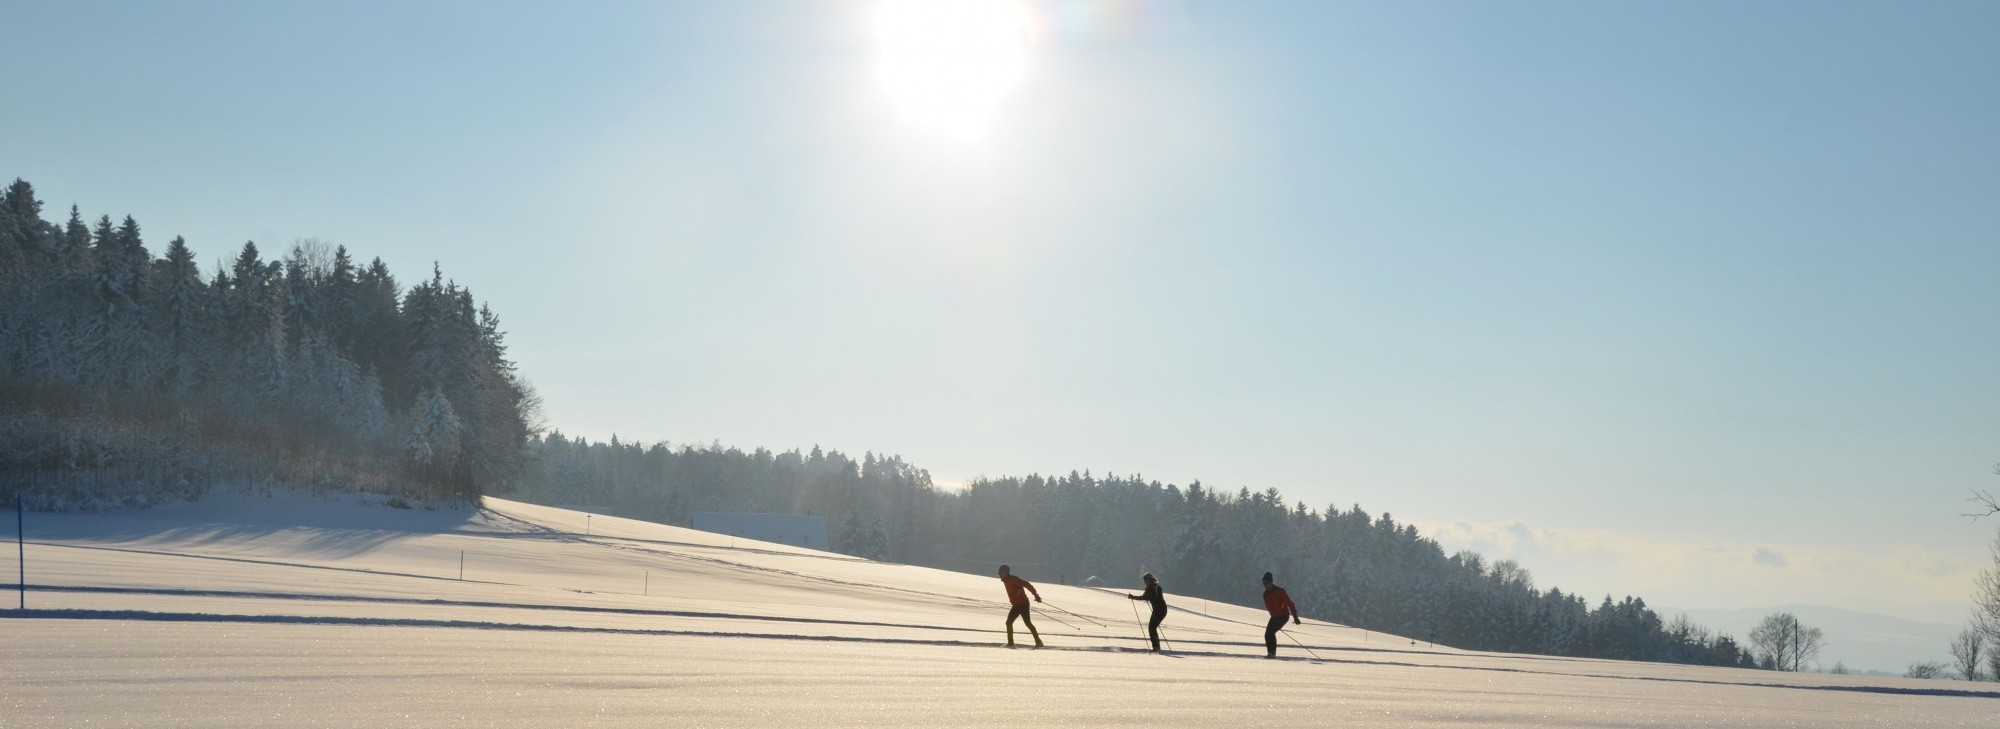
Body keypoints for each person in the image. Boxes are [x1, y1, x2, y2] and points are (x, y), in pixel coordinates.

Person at [998, 564, 1043, 648]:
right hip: (1016, 605)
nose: (999, 574)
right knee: (1009, 623)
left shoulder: (1013, 579)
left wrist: (1035, 595)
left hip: (1023, 604)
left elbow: (1027, 584)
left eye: (1000, 572)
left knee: (1027, 623)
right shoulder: (1006, 580)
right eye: (999, 573)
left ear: (1005, 572)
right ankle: (1010, 643)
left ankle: (1038, 641)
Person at [1261, 571, 1298, 658]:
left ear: (1271, 582)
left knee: (1271, 633)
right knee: (1267, 634)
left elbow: (1290, 603)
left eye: (1266, 583)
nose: (1265, 585)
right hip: (1274, 617)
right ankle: (1270, 653)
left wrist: (1295, 617)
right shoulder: (1265, 594)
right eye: (1263, 583)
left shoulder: (1280, 591)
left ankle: (1272, 653)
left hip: (1283, 616)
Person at [1127, 573, 1168, 652]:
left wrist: (1148, 596)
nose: (1146, 582)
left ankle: (1156, 647)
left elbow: (1155, 596)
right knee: (1152, 628)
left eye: (1147, 580)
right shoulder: (1148, 588)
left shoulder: (1157, 587)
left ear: (1151, 580)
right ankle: (1156, 647)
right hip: (1156, 610)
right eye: (1145, 581)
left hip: (1161, 610)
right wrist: (1133, 597)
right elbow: (1144, 597)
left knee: (1152, 628)